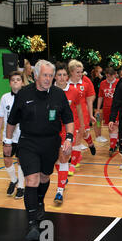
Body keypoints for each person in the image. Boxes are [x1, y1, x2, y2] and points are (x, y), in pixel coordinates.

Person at [6, 60, 74, 241]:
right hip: (28, 142)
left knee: (44, 177)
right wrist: (7, 141)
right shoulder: (23, 94)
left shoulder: (59, 95)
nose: (48, 79)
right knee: (32, 179)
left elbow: (68, 119)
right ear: (36, 75)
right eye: (45, 75)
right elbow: (12, 120)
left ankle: (40, 201)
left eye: (51, 76)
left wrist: (69, 138)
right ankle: (32, 223)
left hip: (50, 143)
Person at [53, 62, 85, 204]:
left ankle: (59, 191)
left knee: (64, 157)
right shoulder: (48, 91)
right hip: (51, 130)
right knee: (56, 159)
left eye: (64, 75)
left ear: (68, 76)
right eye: (59, 75)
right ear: (55, 76)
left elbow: (79, 110)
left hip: (67, 129)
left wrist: (82, 126)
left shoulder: (74, 91)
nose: (61, 77)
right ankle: (63, 177)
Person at [0, 71, 25, 199]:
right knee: (7, 159)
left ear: (22, 82)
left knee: (20, 161)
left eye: (18, 79)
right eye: (13, 80)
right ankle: (14, 180)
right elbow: (1, 116)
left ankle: (21, 187)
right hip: (8, 136)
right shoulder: (5, 97)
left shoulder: (26, 97)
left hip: (22, 135)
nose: (15, 81)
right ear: (9, 83)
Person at [67, 60, 96, 175]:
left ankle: (73, 165)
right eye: (77, 72)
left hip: (81, 115)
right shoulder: (65, 83)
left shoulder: (85, 82)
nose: (80, 74)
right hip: (69, 115)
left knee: (78, 139)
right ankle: (90, 142)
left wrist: (91, 114)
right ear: (71, 72)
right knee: (73, 139)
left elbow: (89, 99)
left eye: (81, 72)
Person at [96, 67, 120, 156]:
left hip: (117, 109)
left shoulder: (119, 83)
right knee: (111, 127)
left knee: (115, 126)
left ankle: (112, 145)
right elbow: (100, 97)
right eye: (107, 76)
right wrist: (98, 109)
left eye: (110, 76)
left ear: (114, 75)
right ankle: (114, 143)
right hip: (106, 108)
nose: (108, 78)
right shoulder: (102, 83)